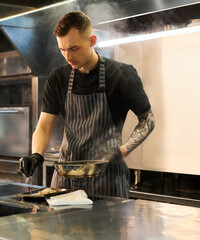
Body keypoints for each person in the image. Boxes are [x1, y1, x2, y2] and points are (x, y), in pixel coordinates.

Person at [19, 11, 155, 198]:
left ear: (92, 41)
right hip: (66, 178)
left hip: (108, 178)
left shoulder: (121, 74)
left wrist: (123, 150)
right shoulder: (58, 78)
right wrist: (36, 154)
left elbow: (147, 119)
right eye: (62, 49)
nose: (67, 56)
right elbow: (43, 126)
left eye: (74, 48)